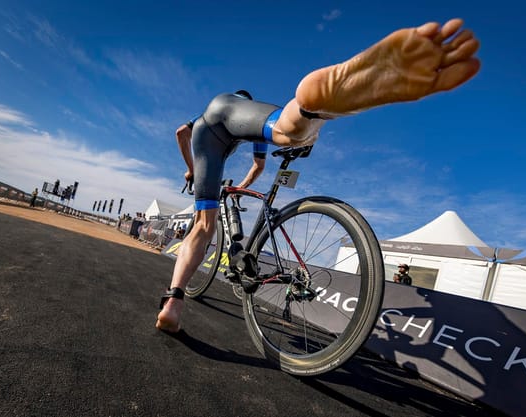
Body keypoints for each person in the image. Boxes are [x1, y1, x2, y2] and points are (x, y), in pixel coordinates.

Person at [156, 18, 480, 332]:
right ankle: (313, 108)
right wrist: (242, 187)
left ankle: (173, 302)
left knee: (204, 225)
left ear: (235, 96)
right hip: (245, 121)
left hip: (208, 131)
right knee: (287, 131)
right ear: (246, 101)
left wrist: (191, 169)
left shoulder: (210, 111)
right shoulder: (246, 120)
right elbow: (258, 167)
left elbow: (181, 133)